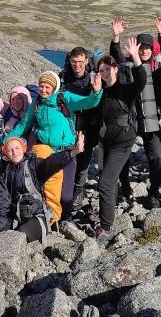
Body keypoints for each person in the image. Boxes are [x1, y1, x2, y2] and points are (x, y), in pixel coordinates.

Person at [6, 70, 103, 223]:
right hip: (46, 150)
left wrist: (96, 92)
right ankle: (47, 218)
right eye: (41, 86)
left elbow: (88, 102)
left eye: (47, 87)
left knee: (66, 195)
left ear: (54, 88)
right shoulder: (37, 103)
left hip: (67, 150)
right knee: (46, 188)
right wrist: (6, 141)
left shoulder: (64, 98)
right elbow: (23, 125)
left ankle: (67, 220)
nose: (43, 90)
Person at [110, 17, 161, 208]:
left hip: (150, 118)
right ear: (136, 48)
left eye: (148, 48)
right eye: (141, 47)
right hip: (129, 120)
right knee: (122, 157)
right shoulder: (127, 64)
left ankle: (154, 192)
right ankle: (125, 187)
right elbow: (116, 55)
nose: (144, 51)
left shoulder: (158, 62)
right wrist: (116, 37)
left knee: (158, 157)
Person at [0, 134, 84, 243]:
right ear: (6, 154)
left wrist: (73, 152)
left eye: (17, 148)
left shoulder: (34, 165)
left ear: (24, 149)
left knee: (20, 235)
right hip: (15, 218)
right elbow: (2, 200)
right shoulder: (5, 174)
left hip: (36, 217)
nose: (14, 152)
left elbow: (52, 162)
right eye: (10, 150)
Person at [93, 39, 147, 241]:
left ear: (115, 69)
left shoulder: (125, 88)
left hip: (122, 142)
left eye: (108, 69)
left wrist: (135, 58)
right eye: (101, 70)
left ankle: (106, 226)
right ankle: (119, 201)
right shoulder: (98, 91)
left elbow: (141, 81)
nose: (105, 73)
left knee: (105, 182)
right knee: (109, 177)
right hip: (104, 142)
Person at [59, 47, 98, 210]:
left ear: (86, 61)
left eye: (80, 61)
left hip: (88, 123)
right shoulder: (63, 77)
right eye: (74, 61)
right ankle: (65, 186)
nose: (77, 65)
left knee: (84, 156)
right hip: (68, 122)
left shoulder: (93, 78)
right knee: (67, 154)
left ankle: (78, 189)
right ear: (70, 61)